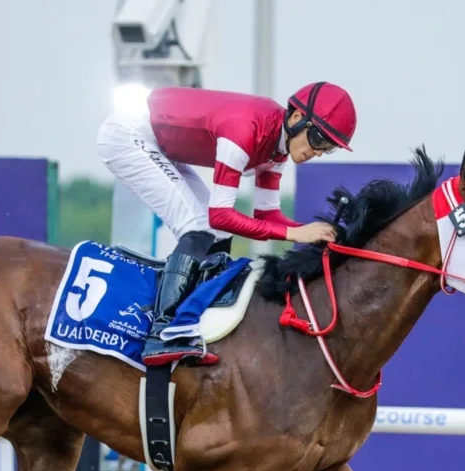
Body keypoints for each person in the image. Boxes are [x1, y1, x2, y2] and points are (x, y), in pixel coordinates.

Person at [96, 81, 357, 366]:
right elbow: (220, 214)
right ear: (296, 119)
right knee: (198, 227)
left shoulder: (278, 150)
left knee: (213, 233)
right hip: (129, 135)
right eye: (318, 139)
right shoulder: (246, 130)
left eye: (328, 147)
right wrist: (296, 233)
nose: (318, 151)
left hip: (163, 144)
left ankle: (194, 320)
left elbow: (266, 216)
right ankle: (161, 334)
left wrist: (310, 234)